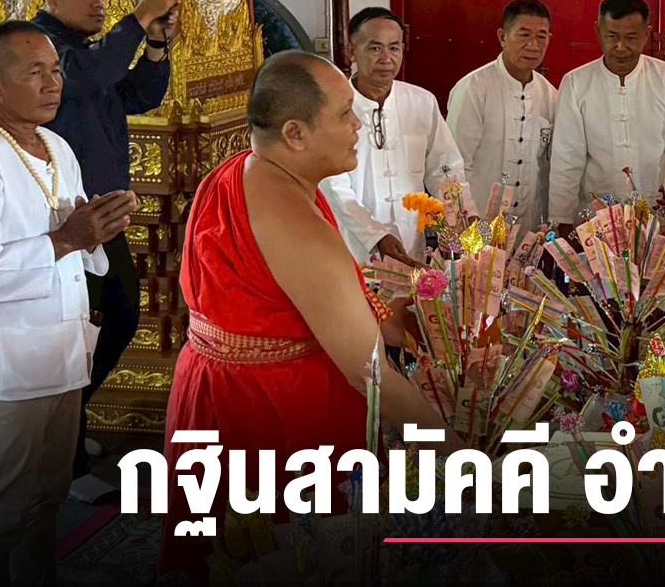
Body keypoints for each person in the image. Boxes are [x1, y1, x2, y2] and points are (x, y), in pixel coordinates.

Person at [160, 51, 463, 583]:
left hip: (211, 394)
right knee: (289, 557)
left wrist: (387, 315)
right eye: (345, 114)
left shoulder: (242, 172)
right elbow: (372, 378)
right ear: (295, 134)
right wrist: (466, 462)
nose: (358, 127)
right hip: (274, 415)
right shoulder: (295, 224)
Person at [0, 20, 137, 585]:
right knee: (2, 509)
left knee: (47, 498)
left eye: (56, 70)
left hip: (63, 351)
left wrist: (97, 230)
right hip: (9, 367)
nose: (53, 84)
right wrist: (67, 239)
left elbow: (75, 244)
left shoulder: (57, 146)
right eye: (35, 72)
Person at [32, 0, 177, 501]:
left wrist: (155, 45)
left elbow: (139, 96)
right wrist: (138, 18)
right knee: (74, 334)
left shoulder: (89, 55)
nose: (99, 3)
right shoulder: (47, 51)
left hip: (102, 215)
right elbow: (89, 76)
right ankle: (66, 465)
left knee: (119, 315)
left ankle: (67, 426)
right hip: (60, 223)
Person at [320, 7, 466, 265]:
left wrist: (460, 214)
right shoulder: (332, 107)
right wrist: (375, 236)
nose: (386, 58)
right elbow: (333, 185)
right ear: (352, 50)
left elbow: (445, 167)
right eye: (375, 48)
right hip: (354, 248)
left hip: (412, 244)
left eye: (394, 48)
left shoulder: (421, 101)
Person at [549, 0, 665, 236]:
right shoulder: (576, 83)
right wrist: (561, 220)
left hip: (658, 215)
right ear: (598, 31)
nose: (621, 47)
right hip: (595, 219)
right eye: (612, 37)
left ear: (646, 34)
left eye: (631, 38)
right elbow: (567, 159)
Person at [448, 0, 559, 235]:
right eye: (524, 35)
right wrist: (468, 219)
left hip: (528, 228)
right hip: (478, 224)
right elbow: (455, 163)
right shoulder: (474, 88)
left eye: (541, 37)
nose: (533, 45)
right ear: (502, 37)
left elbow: (549, 168)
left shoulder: (550, 95)